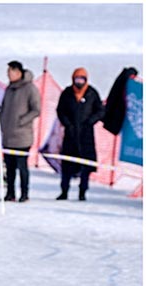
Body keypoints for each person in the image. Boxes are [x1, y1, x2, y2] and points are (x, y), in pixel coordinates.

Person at [55, 67, 105, 201]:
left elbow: (100, 111)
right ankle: (64, 191)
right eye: (77, 79)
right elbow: (60, 110)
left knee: (85, 166)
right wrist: (67, 124)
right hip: (70, 134)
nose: (79, 82)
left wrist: (90, 122)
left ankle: (82, 192)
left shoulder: (92, 93)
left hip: (86, 135)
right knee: (67, 165)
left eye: (82, 79)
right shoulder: (67, 93)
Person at [0, 60, 41, 203]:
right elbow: (4, 107)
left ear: (18, 72)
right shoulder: (9, 89)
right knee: (9, 168)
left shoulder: (30, 89)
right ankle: (10, 193)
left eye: (10, 71)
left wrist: (22, 121)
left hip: (22, 136)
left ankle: (25, 194)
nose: (8, 75)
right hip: (8, 136)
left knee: (22, 167)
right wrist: (1, 120)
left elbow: (36, 110)